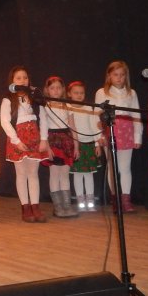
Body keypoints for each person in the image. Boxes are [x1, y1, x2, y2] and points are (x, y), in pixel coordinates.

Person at [1, 66, 49, 223]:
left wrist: (44, 139)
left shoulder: (35, 97)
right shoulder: (8, 99)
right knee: (21, 174)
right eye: (18, 78)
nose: (22, 80)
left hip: (34, 137)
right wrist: (16, 141)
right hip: (18, 138)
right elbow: (5, 122)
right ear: (12, 81)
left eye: (25, 77)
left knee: (33, 174)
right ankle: (25, 207)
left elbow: (43, 118)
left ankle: (35, 206)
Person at [95, 60, 143, 214]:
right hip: (109, 130)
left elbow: (136, 115)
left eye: (122, 75)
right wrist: (99, 136)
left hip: (127, 131)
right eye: (115, 74)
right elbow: (96, 116)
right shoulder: (101, 92)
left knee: (125, 168)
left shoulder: (131, 93)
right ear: (109, 75)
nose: (119, 78)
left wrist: (138, 137)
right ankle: (115, 199)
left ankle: (126, 200)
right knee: (112, 167)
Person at [41, 76, 78, 218]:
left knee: (65, 174)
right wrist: (47, 147)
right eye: (52, 88)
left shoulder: (67, 105)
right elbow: (43, 127)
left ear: (63, 89)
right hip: (53, 141)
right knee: (54, 174)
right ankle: (57, 207)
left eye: (58, 88)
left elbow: (73, 126)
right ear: (47, 90)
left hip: (66, 141)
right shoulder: (45, 106)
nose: (55, 91)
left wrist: (76, 146)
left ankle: (67, 205)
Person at [67, 81, 101, 212]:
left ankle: (90, 201)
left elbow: (94, 126)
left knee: (89, 174)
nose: (79, 95)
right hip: (77, 146)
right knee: (77, 174)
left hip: (89, 145)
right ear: (69, 94)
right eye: (76, 93)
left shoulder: (88, 108)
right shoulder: (68, 108)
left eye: (81, 93)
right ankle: (80, 200)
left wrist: (97, 144)